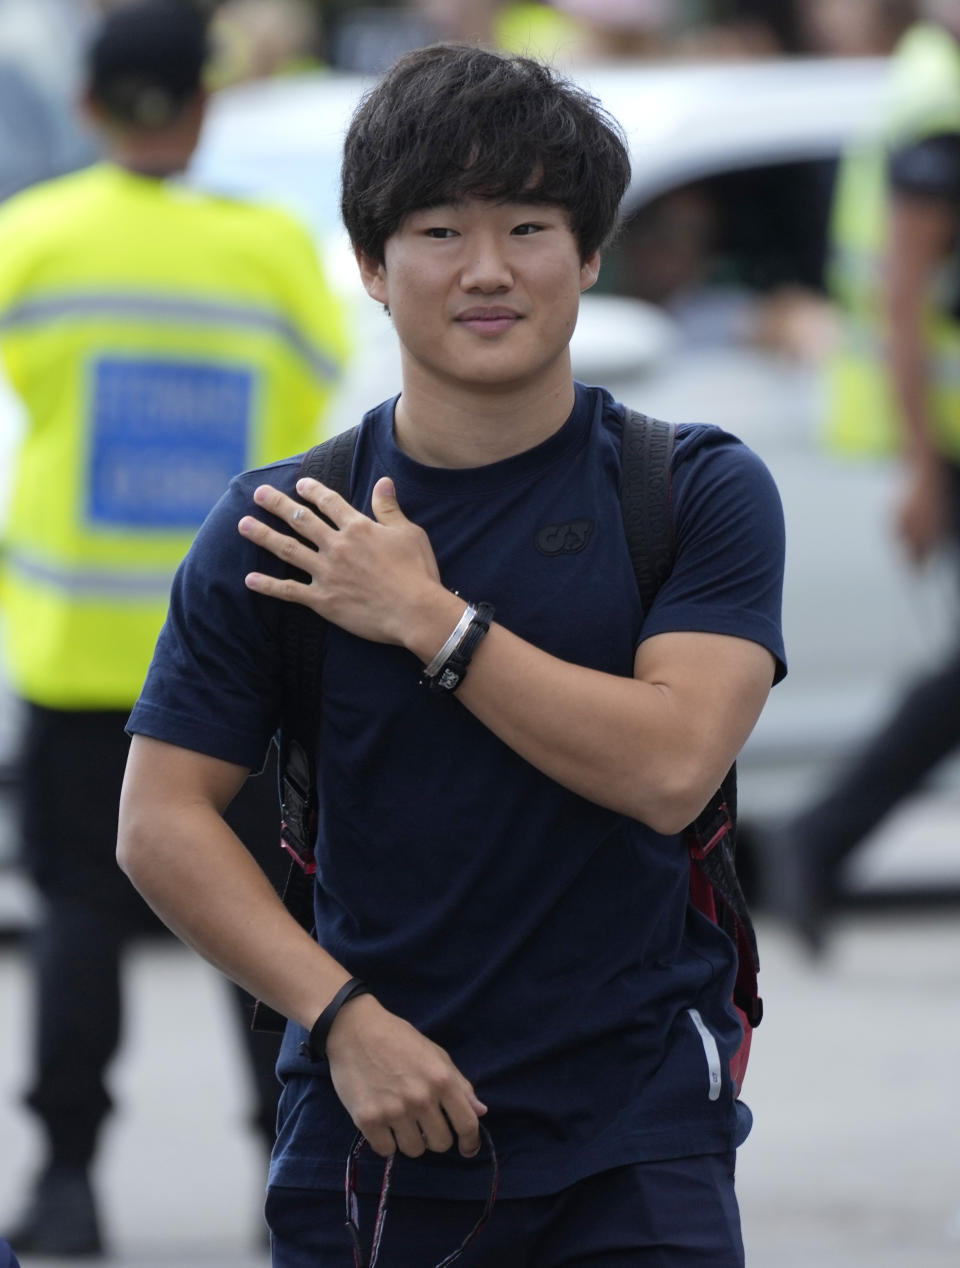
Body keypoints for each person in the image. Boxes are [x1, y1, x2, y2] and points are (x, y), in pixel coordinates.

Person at [118, 43, 785, 1266]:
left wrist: (434, 621)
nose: (487, 269)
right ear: (372, 266)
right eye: (437, 230)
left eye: (529, 224)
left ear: (588, 253)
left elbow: (671, 763)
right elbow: (160, 818)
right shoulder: (284, 523)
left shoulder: (690, 491)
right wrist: (343, 1018)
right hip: (375, 1130)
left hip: (639, 1134)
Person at [0, 1, 348, 1256]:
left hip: (78, 655)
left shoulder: (29, 240)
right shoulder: (268, 251)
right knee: (260, 919)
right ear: (203, 104)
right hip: (247, 651)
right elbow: (310, 402)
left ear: (89, 108)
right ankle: (292, 1171)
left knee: (79, 913)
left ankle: (67, 1179)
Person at [765, 5, 960, 953]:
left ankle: (824, 837)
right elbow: (904, 299)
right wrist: (923, 469)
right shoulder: (939, 108)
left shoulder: (928, 75)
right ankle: (823, 835)